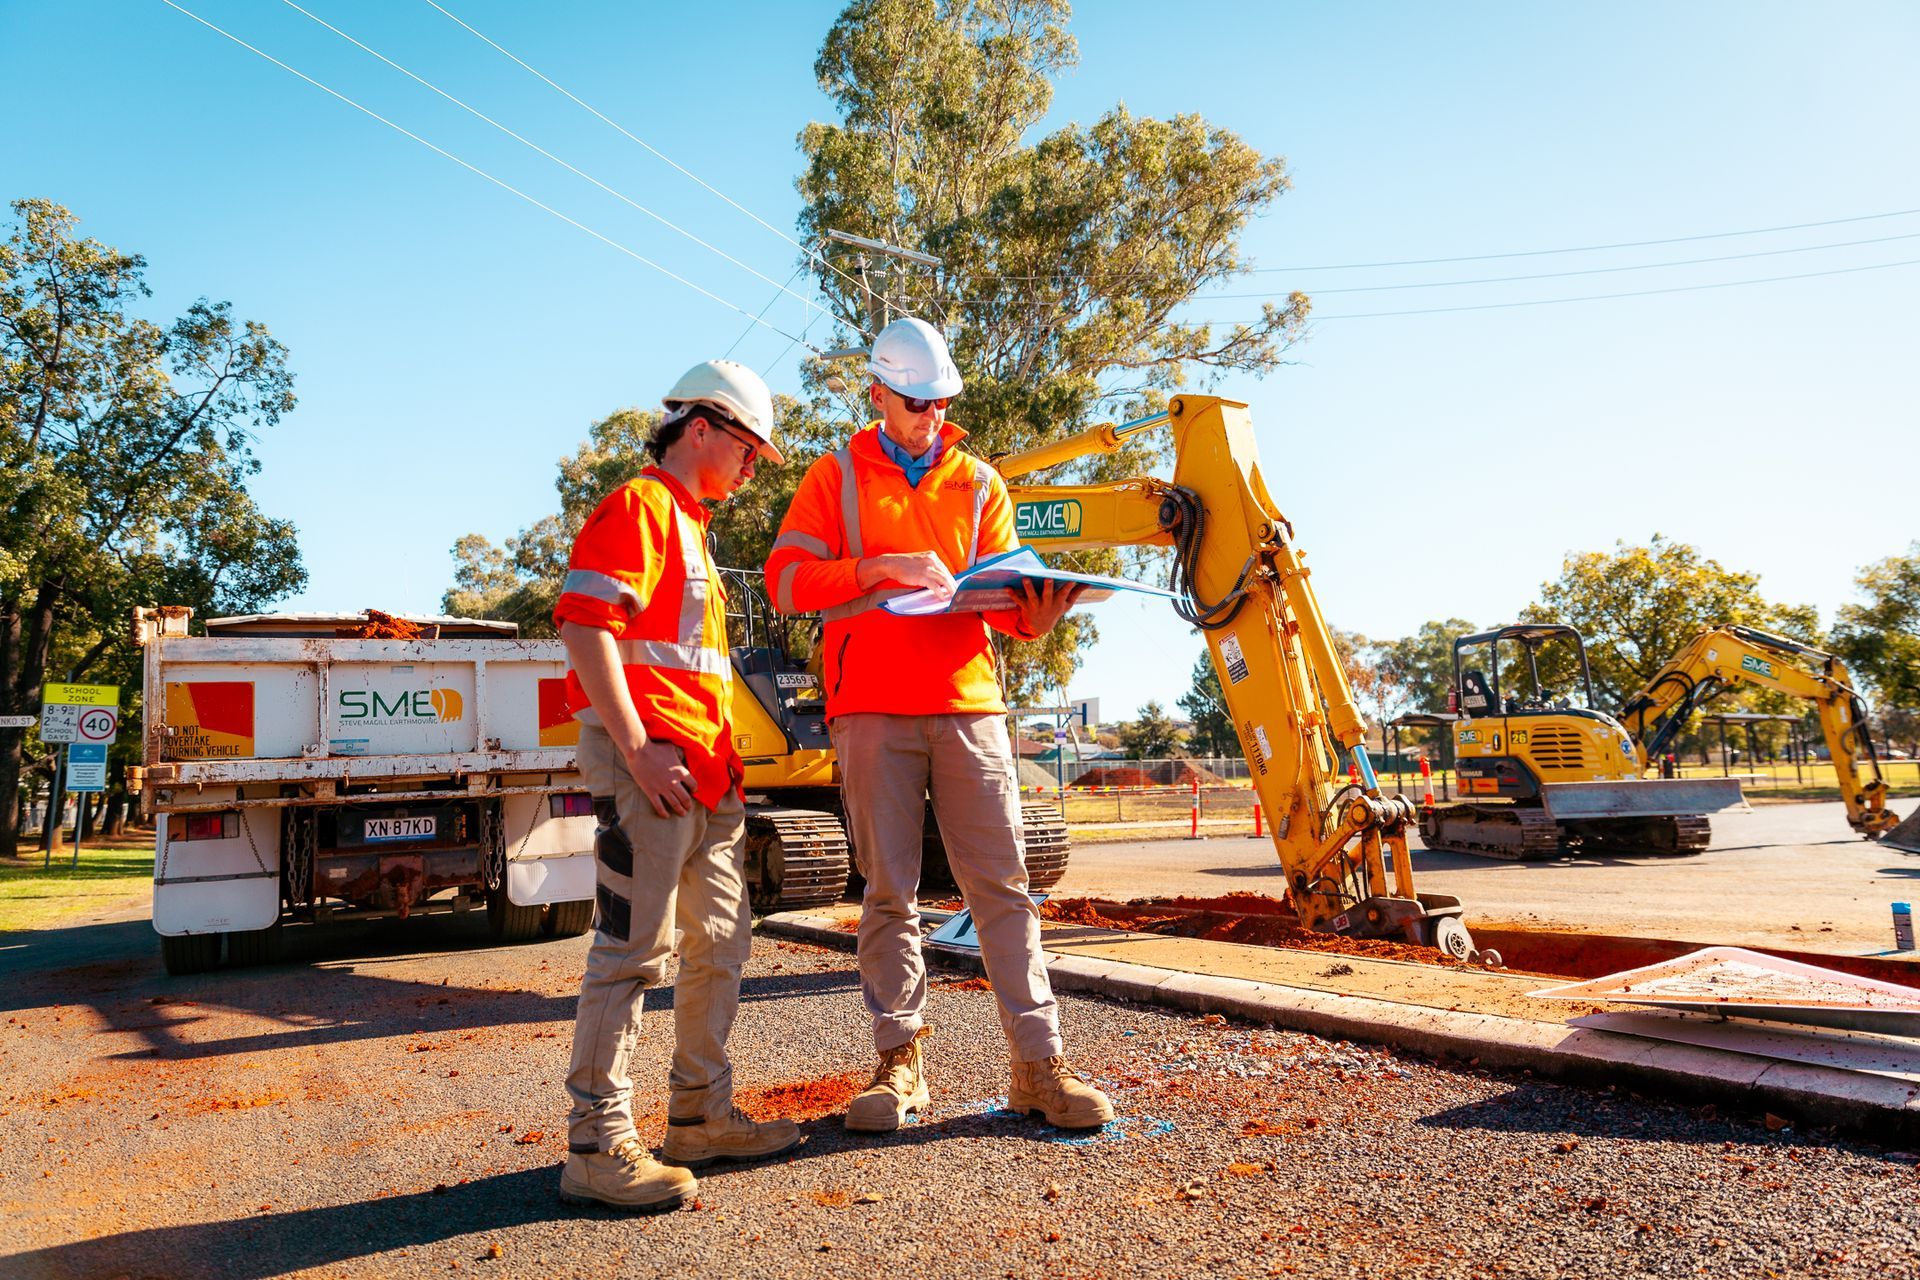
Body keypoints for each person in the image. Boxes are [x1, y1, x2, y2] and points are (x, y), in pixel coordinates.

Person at [763, 317, 1114, 1133]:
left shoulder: (980, 480)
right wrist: (876, 567)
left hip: (968, 705)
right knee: (889, 892)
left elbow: (1004, 596)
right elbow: (786, 581)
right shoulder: (833, 477)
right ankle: (899, 1067)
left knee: (1004, 890)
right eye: (916, 401)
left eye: (941, 400)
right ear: (879, 393)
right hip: (871, 710)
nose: (930, 414)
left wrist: (1039, 614)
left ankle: (1039, 1066)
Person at [554, 359, 800, 1212]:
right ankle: (595, 1144)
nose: (752, 465)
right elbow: (586, 629)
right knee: (630, 958)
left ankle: (699, 1116)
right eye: (747, 448)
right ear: (702, 428)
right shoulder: (640, 507)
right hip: (652, 770)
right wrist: (637, 746)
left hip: (707, 778)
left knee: (720, 947)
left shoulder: (694, 527)